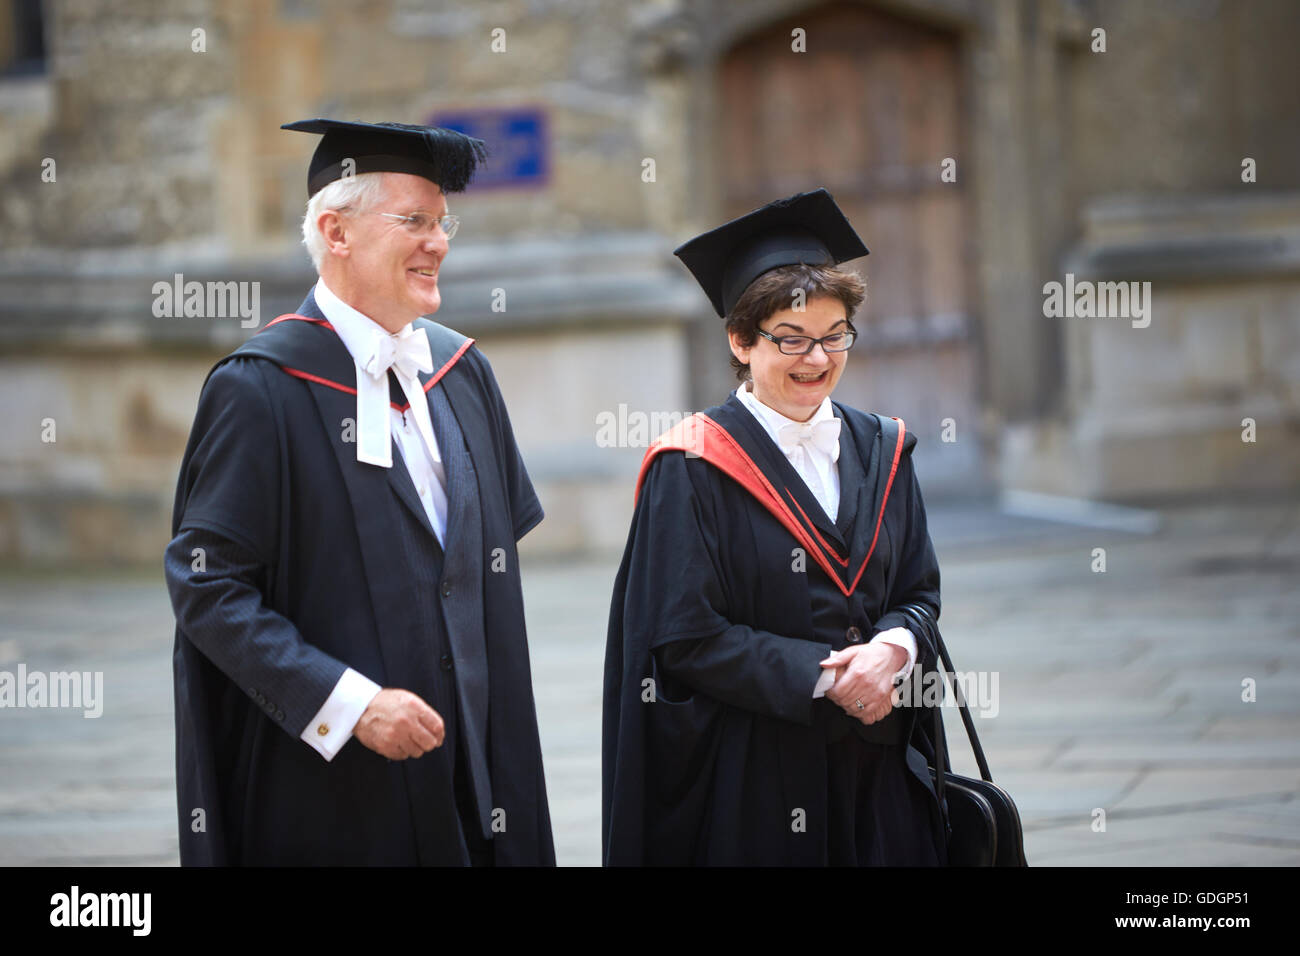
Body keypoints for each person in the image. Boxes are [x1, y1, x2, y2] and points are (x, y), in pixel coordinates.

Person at [165, 118, 554, 866]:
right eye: (414, 221)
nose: (438, 242)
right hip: (335, 788)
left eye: (444, 223)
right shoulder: (260, 390)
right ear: (335, 232)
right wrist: (348, 705)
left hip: (477, 775)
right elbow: (209, 589)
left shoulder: (461, 372)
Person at [603, 189, 950, 865]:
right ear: (740, 339)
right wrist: (825, 677)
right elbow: (683, 638)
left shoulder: (884, 447)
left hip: (882, 774)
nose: (816, 360)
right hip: (759, 778)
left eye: (833, 336)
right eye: (790, 339)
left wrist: (894, 651)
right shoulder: (693, 465)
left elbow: (918, 593)